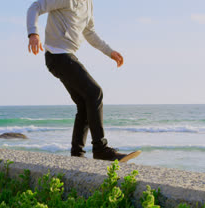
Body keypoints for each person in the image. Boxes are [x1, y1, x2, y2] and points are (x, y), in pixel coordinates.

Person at [26, 0, 140, 162]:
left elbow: (89, 32)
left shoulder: (88, 4)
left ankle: (76, 155)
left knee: (85, 103)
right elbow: (35, 7)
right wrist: (33, 33)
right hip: (58, 55)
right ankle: (101, 149)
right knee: (94, 92)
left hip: (66, 55)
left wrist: (109, 52)